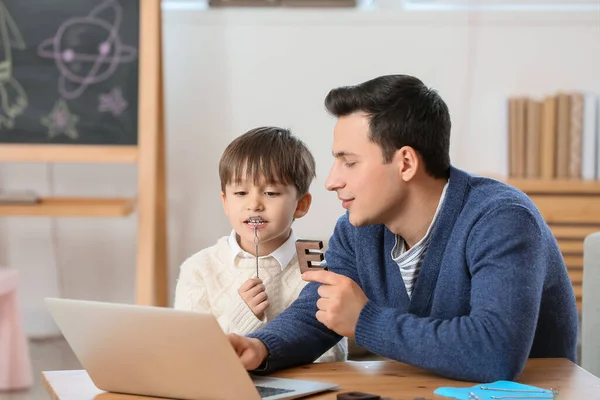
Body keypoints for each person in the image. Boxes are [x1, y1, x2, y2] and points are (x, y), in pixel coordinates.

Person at [227, 75, 578, 382]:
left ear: (406, 162)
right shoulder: (357, 229)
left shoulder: (502, 220)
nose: (332, 181)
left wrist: (365, 320)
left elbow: (495, 352)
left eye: (349, 162)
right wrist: (260, 347)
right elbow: (318, 310)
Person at [174, 126, 347, 362]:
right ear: (225, 202)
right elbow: (187, 356)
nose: (254, 204)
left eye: (271, 193)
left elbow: (334, 354)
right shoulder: (199, 269)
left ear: (301, 204)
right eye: (241, 192)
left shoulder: (316, 262)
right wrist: (239, 318)